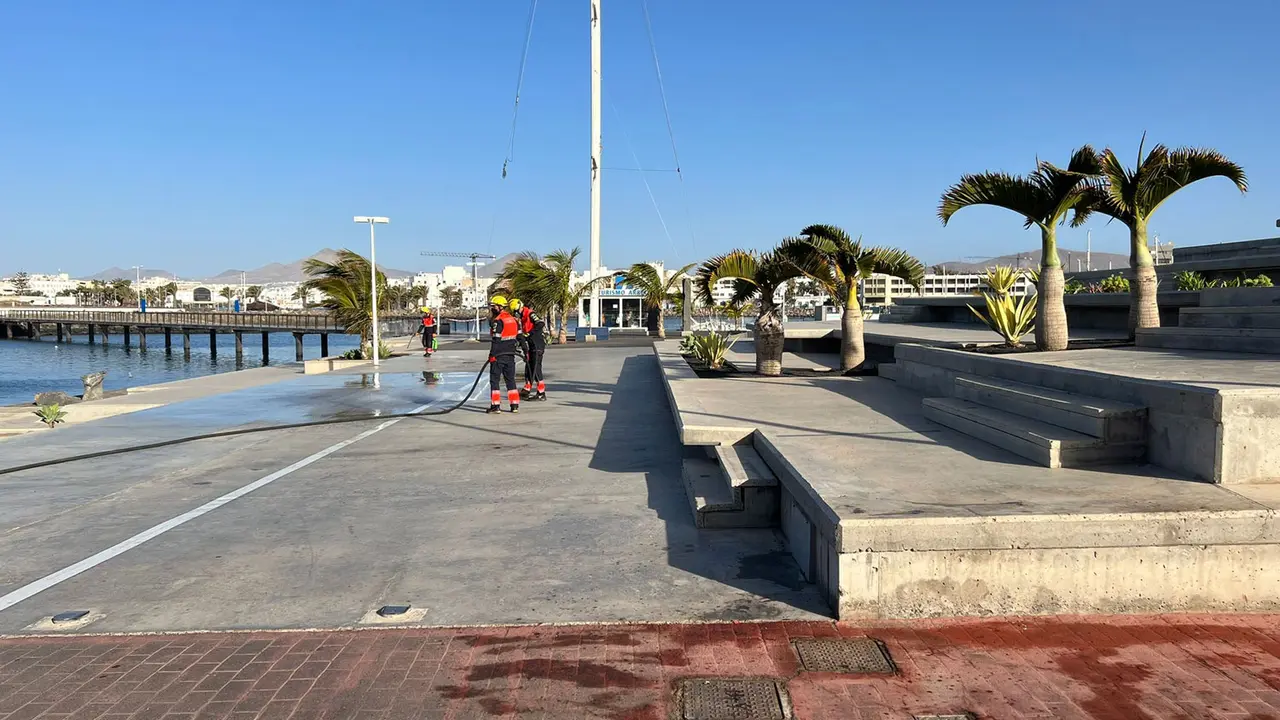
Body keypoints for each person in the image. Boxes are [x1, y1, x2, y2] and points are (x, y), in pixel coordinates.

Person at [486, 295, 524, 414]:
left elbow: (496, 340)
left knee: (494, 380)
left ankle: (496, 406)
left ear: (499, 307)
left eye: (493, 306)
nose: (492, 309)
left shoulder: (498, 321)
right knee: (510, 380)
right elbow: (520, 337)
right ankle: (514, 405)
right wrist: (526, 351)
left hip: (498, 356)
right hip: (510, 355)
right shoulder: (514, 320)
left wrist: (492, 355)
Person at [510, 298, 547, 401]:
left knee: (536, 368)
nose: (517, 314)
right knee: (529, 367)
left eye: (517, 311)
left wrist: (530, 333)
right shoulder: (523, 317)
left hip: (537, 345)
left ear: (520, 307)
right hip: (531, 345)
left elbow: (540, 323)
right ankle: (527, 389)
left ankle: (541, 392)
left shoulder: (530, 314)